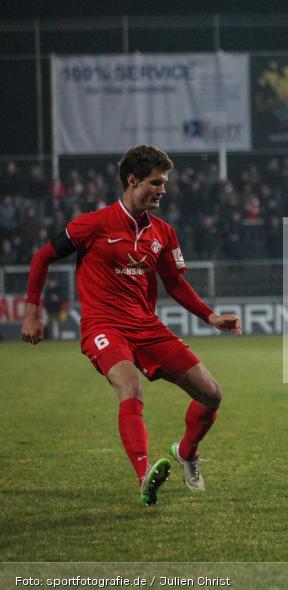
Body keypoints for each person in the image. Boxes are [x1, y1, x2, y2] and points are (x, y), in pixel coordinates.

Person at [21, 145, 242, 507]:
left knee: (212, 394)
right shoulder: (93, 224)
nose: (163, 190)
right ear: (132, 180)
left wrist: (211, 317)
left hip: (147, 327)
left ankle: (187, 452)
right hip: (104, 326)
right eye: (156, 182)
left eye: (164, 183)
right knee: (131, 387)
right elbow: (42, 257)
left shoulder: (163, 233)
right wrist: (32, 312)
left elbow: (175, 284)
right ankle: (144, 478)